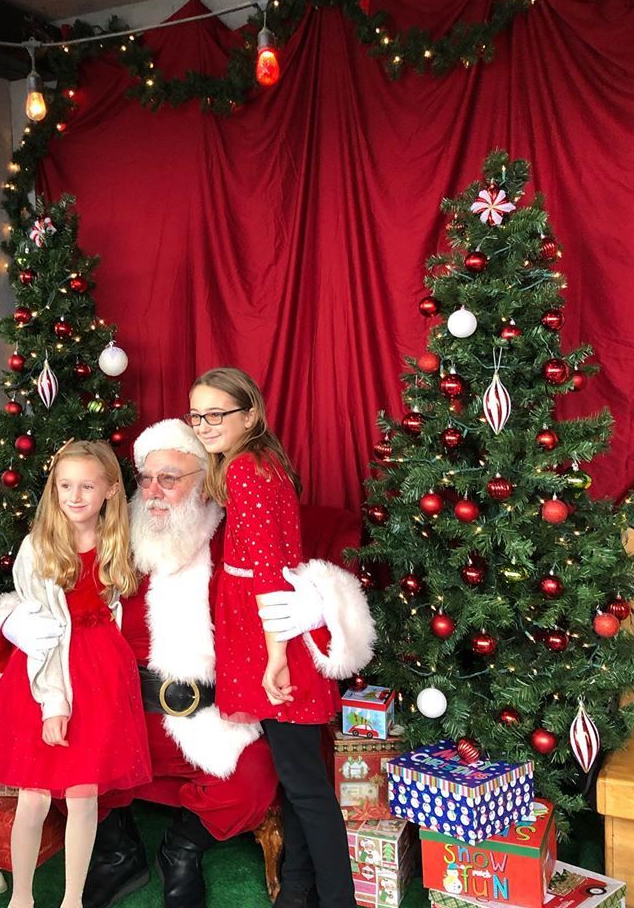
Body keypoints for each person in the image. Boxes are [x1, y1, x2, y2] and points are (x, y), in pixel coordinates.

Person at [0, 420, 373, 908]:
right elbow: (45, 591)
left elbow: (285, 572)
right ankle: (115, 851)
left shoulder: (229, 537)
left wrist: (319, 603)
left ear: (204, 479)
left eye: (170, 478)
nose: (154, 491)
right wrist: (12, 624)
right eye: (146, 477)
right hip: (114, 702)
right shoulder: (114, 532)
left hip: (203, 712)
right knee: (69, 756)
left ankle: (183, 848)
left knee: (252, 783)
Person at [187, 367, 365, 908]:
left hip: (270, 633)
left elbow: (267, 570)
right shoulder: (258, 463)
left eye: (217, 413)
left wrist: (276, 658)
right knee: (297, 775)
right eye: (197, 414)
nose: (205, 424)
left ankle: (338, 899)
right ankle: (298, 890)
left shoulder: (246, 469)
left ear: (249, 415)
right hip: (267, 625)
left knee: (306, 786)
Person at [0, 440, 151, 908]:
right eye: (65, 486)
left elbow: (112, 610)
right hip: (46, 673)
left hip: (102, 675)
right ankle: (23, 898)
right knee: (33, 795)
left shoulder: (117, 543)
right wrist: (54, 705)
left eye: (87, 486)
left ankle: (73, 899)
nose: (74, 496)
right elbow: (45, 637)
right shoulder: (38, 549)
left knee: (83, 795)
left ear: (111, 490)